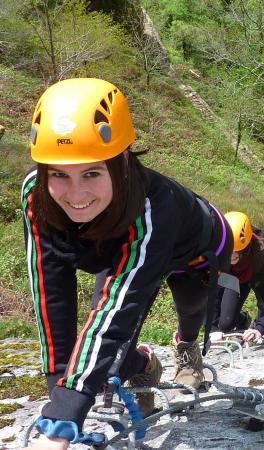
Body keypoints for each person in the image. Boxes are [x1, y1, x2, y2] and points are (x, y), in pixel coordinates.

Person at [21, 78, 233, 450]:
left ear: (121, 162)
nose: (76, 194)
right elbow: (50, 291)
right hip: (123, 239)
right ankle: (147, 366)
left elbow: (114, 319)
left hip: (199, 249)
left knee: (189, 308)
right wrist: (60, 399)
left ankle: (186, 346)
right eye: (58, 174)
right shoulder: (37, 198)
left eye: (91, 173)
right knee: (104, 360)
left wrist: (61, 421)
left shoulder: (152, 206)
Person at [210, 211, 264, 344]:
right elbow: (212, 291)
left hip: (255, 274)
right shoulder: (217, 252)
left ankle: (251, 323)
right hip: (233, 279)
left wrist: (260, 328)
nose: (231, 256)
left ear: (246, 246)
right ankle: (243, 320)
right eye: (228, 251)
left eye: (236, 252)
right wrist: (213, 328)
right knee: (225, 324)